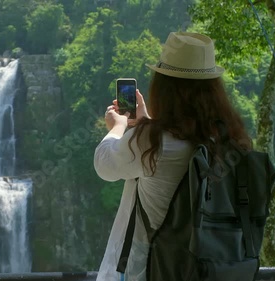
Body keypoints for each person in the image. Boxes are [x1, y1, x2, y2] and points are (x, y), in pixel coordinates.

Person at [93, 32, 252, 281]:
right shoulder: (229, 140)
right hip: (215, 267)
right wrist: (146, 123)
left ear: (164, 88)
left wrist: (118, 126)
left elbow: (104, 164)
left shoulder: (152, 142)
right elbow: (180, 142)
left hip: (157, 270)